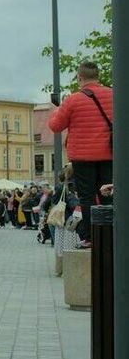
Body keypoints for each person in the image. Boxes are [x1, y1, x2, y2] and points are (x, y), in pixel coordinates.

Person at [49, 61, 113, 247]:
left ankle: (90, 237)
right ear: (98, 76)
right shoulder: (114, 94)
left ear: (79, 77)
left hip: (83, 157)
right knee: (108, 193)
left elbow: (55, 126)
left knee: (86, 197)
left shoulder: (73, 99)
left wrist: (57, 110)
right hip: (109, 154)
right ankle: (110, 232)